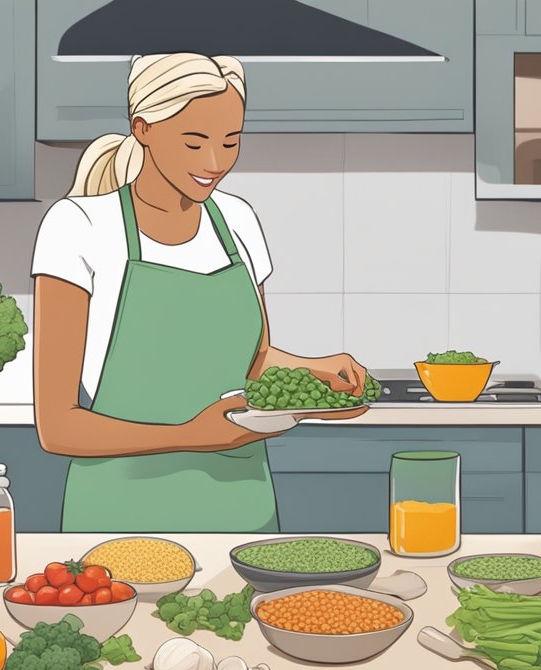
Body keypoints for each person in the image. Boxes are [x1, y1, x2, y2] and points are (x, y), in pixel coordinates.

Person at [31, 53, 369, 533]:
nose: (215, 163)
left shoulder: (238, 221)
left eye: (231, 142)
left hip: (242, 512)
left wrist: (316, 376)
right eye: (194, 143)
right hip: (121, 519)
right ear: (143, 128)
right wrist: (190, 435)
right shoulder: (79, 226)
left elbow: (250, 363)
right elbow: (57, 426)